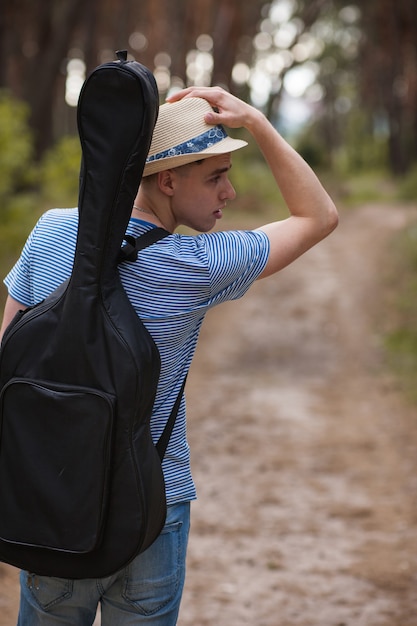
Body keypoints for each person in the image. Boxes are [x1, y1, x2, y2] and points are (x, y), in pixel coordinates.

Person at [0, 85, 338, 625]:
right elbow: (317, 216)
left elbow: (9, 356)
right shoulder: (199, 263)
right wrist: (255, 121)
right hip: (152, 507)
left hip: (54, 504)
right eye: (215, 176)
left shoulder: (49, 231)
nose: (229, 192)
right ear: (167, 180)